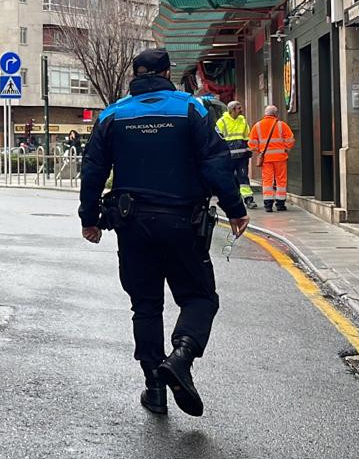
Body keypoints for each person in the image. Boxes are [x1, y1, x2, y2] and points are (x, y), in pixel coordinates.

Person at [79, 48, 249, 418]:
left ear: (134, 75)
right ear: (168, 72)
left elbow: (92, 170)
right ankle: (182, 356)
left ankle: (154, 387)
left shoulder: (113, 114)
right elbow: (215, 165)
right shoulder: (192, 109)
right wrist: (236, 209)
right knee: (200, 297)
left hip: (132, 225)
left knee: (145, 305)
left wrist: (89, 218)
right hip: (183, 223)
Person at [249, 104, 295, 211]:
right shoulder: (282, 125)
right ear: (275, 114)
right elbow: (290, 140)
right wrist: (286, 148)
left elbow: (251, 143)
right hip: (280, 157)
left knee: (267, 180)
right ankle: (280, 204)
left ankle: (268, 204)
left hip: (266, 159)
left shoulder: (258, 126)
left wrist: (259, 150)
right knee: (281, 180)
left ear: (265, 114)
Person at [216, 101, 254, 211]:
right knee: (230, 178)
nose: (241, 110)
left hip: (242, 156)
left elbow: (248, 136)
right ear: (232, 110)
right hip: (228, 157)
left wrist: (249, 149)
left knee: (243, 177)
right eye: (239, 108)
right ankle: (233, 200)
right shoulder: (221, 122)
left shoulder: (243, 120)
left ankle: (248, 199)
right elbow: (218, 138)